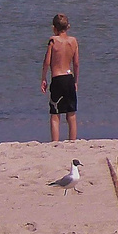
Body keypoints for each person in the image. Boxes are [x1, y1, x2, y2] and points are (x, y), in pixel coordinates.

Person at [40, 13, 80, 142]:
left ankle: (55, 142)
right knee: (71, 113)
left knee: (55, 114)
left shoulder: (53, 40)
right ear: (68, 27)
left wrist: (44, 78)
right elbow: (76, 63)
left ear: (54, 28)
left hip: (57, 78)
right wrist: (76, 81)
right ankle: (73, 141)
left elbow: (47, 61)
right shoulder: (73, 41)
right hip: (69, 78)